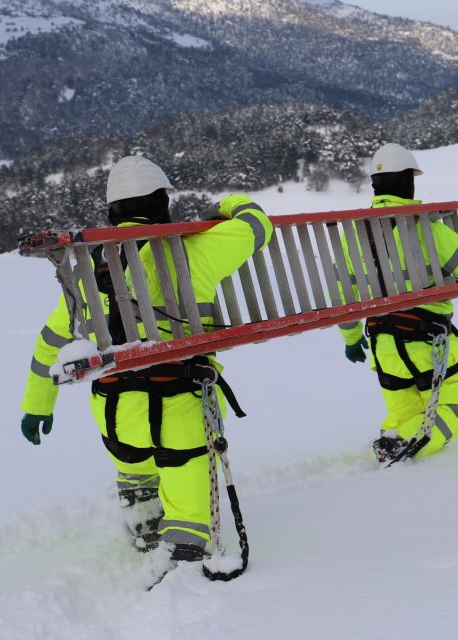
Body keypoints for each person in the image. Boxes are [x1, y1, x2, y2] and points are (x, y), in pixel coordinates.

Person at [18, 155, 272, 576]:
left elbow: (50, 344)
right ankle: (185, 560)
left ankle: (144, 531)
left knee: (135, 472)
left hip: (117, 413)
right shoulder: (196, 251)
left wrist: (38, 405)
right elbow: (256, 225)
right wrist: (228, 205)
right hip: (183, 402)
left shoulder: (86, 272)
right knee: (186, 480)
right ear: (162, 202)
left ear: (112, 211)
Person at [338, 143, 458, 462]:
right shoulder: (425, 226)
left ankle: (392, 441)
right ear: (409, 182)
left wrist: (353, 340)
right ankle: (402, 446)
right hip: (427, 342)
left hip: (383, 347)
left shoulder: (353, 234)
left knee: (404, 411)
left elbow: (344, 297)